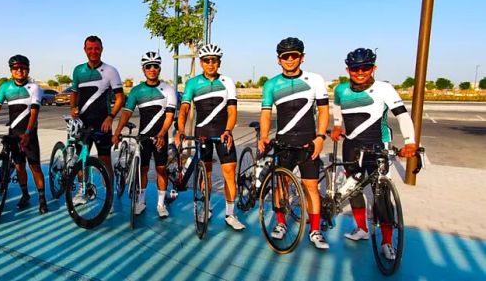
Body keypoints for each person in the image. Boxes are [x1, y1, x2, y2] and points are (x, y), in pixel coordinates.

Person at [330, 48, 417, 260]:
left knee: (381, 195)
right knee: (354, 188)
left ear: (374, 68)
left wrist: (410, 142)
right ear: (347, 69)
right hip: (351, 145)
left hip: (378, 145)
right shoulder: (341, 89)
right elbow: (337, 107)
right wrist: (337, 125)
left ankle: (387, 241)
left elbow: (402, 116)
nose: (360, 72)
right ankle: (361, 229)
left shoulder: (384, 88)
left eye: (365, 67)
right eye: (355, 68)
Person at [258, 37, 330, 249]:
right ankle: (281, 224)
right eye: (285, 56)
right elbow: (265, 113)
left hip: (309, 142)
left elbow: (324, 110)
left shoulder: (314, 79)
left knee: (311, 187)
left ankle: (315, 230)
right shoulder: (271, 84)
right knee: (281, 185)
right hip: (284, 142)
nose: (290, 60)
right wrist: (263, 135)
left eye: (294, 56)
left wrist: (320, 137)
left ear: (302, 57)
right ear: (278, 60)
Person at [174, 44, 245, 231]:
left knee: (229, 172)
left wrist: (228, 130)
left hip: (223, 132)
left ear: (219, 62)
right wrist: (181, 130)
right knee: (205, 173)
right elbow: (184, 109)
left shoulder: (227, 81)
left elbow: (232, 110)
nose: (210, 64)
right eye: (206, 61)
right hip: (202, 133)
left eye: (214, 60)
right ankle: (206, 207)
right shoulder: (193, 83)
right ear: (201, 63)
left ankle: (230, 214)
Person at [0, 54, 48, 214]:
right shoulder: (5, 87)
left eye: (23, 68)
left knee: (35, 166)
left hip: (29, 133)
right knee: (19, 166)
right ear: (11, 71)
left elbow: (34, 112)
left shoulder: (34, 88)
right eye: (16, 68)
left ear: (28, 70)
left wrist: (28, 133)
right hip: (13, 134)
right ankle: (25, 195)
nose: (19, 71)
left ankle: (42, 199)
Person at [111, 52, 176, 218]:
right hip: (143, 138)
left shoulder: (168, 89)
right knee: (143, 170)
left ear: (159, 68)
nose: (152, 69)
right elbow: (126, 113)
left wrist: (162, 133)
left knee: (161, 170)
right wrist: (117, 132)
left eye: (155, 66)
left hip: (160, 136)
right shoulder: (137, 91)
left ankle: (161, 204)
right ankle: (141, 201)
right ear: (143, 69)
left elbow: (169, 115)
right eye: (149, 66)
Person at [70, 35, 124, 205]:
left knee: (105, 159)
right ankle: (82, 190)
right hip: (82, 123)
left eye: (96, 48)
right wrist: (73, 107)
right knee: (81, 159)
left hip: (102, 122)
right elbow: (74, 92)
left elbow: (120, 98)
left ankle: (109, 192)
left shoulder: (110, 71)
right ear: (85, 50)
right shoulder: (78, 70)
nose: (93, 51)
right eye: (90, 48)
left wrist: (110, 117)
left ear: (101, 49)